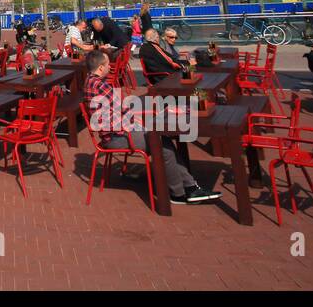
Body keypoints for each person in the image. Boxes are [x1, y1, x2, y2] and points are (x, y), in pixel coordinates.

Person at [83, 49, 220, 204]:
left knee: (161, 136)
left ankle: (188, 187)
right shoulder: (101, 86)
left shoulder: (91, 81)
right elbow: (115, 116)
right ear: (100, 68)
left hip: (116, 132)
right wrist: (139, 120)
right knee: (161, 142)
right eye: (108, 64)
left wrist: (140, 118)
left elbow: (117, 111)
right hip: (116, 137)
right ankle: (180, 192)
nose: (110, 67)